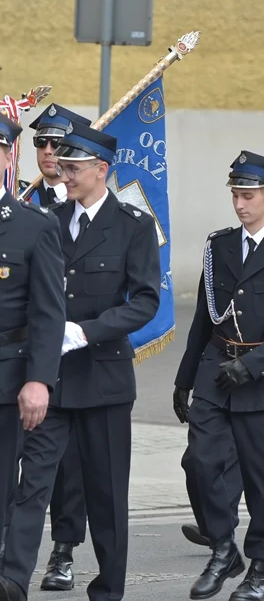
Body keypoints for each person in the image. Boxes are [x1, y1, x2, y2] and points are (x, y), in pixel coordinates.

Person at [0, 121, 161, 601]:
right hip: (50, 378)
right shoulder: (48, 219)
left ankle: (108, 588)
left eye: (72, 168)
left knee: (106, 493)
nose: (63, 175)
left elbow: (146, 301)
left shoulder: (134, 225)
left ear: (101, 171)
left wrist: (87, 330)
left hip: (103, 378)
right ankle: (13, 578)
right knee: (33, 485)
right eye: (62, 167)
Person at [173, 151, 264, 601]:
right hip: (216, 369)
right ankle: (221, 546)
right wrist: (184, 378)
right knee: (199, 461)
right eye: (236, 195)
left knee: (260, 478)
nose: (240, 205)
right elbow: (204, 316)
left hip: (263, 375)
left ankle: (258, 570)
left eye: (249, 195)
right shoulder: (219, 245)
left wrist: (252, 366)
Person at [23, 105, 89, 592]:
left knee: (68, 465)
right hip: (23, 348)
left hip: (73, 352)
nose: (50, 153)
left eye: (59, 145)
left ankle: (63, 551)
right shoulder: (22, 202)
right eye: (42, 144)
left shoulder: (88, 205)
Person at [0, 113, 65, 601]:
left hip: (7, 375)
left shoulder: (32, 226)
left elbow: (48, 313)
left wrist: (39, 379)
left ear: (6, 156)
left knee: (5, 488)